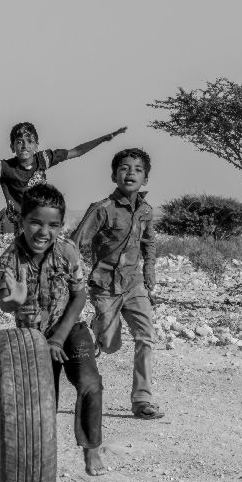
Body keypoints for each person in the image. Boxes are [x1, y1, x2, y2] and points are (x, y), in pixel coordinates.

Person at [0, 183, 106, 476]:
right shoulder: (9, 258)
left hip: (70, 328)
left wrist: (58, 337)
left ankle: (92, 448)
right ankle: (41, 460)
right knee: (44, 402)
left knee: (90, 382)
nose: (44, 231)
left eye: (53, 225)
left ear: (61, 226)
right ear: (21, 221)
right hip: (31, 338)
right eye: (36, 222)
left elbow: (79, 294)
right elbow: (5, 304)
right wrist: (11, 299)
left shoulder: (67, 251)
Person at [70, 148, 163, 420]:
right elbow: (75, 244)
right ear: (114, 175)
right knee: (110, 345)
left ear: (145, 179)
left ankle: (142, 400)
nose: (130, 172)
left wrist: (150, 270)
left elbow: (149, 242)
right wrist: (70, 276)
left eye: (137, 169)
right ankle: (94, 332)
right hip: (105, 287)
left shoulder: (146, 210)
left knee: (145, 337)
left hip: (134, 285)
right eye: (124, 168)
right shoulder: (102, 210)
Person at [0, 121, 127, 233]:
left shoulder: (44, 159)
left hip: (43, 215)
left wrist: (104, 138)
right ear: (12, 147)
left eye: (29, 142)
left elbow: (76, 151)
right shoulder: (4, 167)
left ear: (36, 145)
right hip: (20, 220)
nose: (24, 146)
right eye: (19, 142)